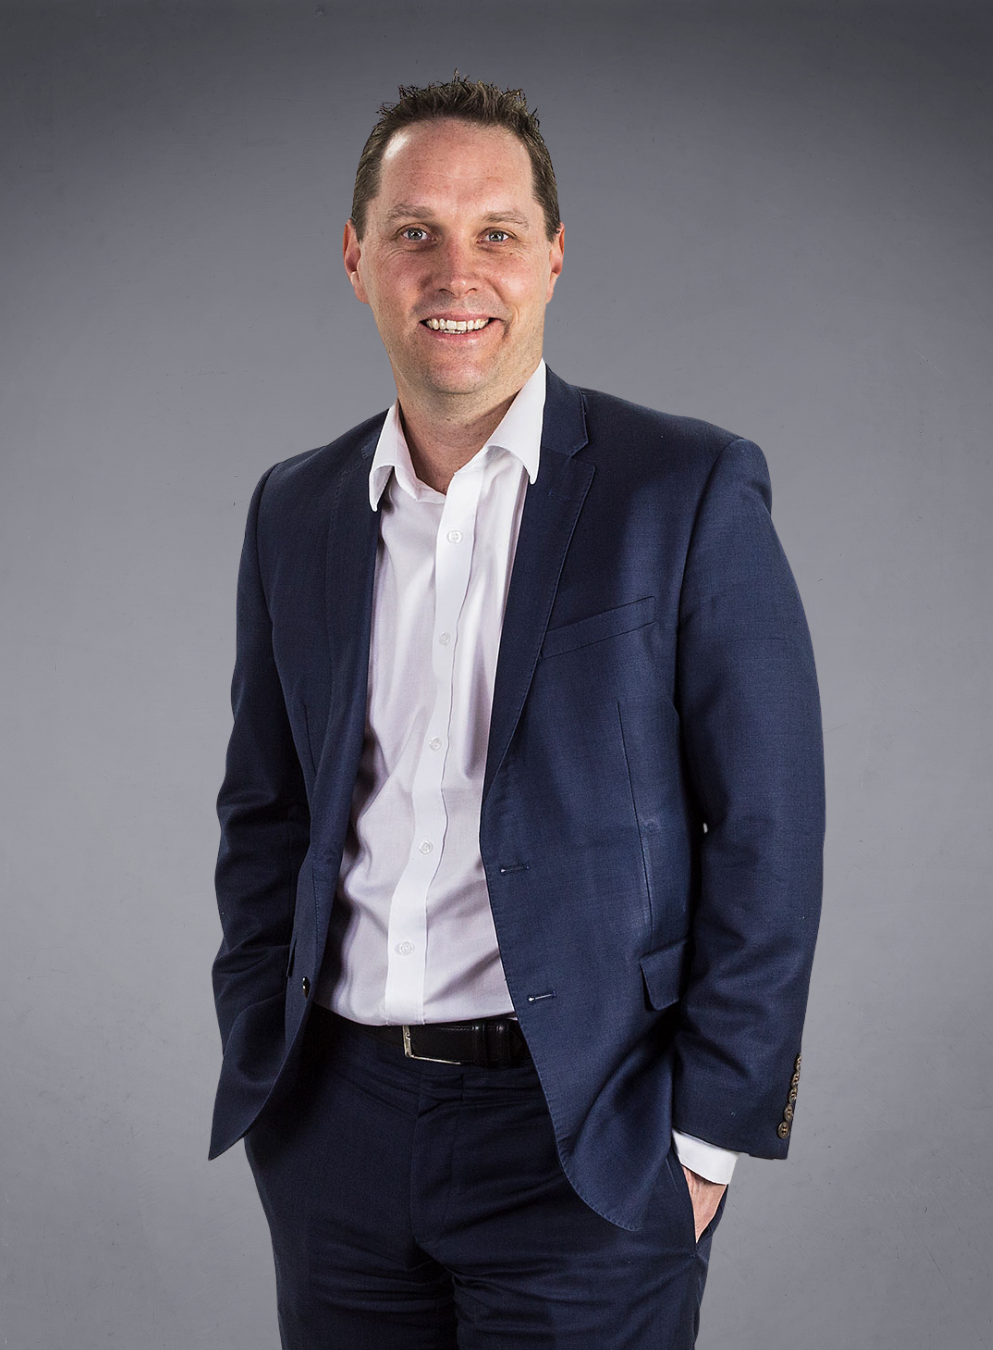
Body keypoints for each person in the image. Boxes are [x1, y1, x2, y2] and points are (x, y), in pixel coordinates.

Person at [209, 75, 825, 1349]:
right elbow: (266, 810)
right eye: (415, 231)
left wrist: (706, 1137)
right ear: (356, 257)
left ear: (551, 255)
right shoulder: (295, 508)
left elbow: (769, 830)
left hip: (588, 1140)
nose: (457, 272)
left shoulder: (684, 489)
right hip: (334, 1135)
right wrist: (268, 1056)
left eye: (496, 231)